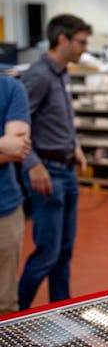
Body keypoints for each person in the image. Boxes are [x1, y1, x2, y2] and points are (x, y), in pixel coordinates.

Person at [18, 13, 92, 310]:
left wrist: (74, 146)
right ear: (62, 39)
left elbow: (54, 120)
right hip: (48, 172)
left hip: (66, 169)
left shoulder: (60, 73)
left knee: (63, 253)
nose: (84, 48)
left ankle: (62, 311)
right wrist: (32, 164)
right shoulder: (39, 75)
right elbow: (17, 121)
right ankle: (13, 313)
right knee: (47, 253)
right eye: (81, 42)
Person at [0, 75, 31, 315]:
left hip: (5, 213)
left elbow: (18, 149)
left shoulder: (11, 88)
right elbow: (7, 148)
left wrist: (10, 147)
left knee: (5, 305)